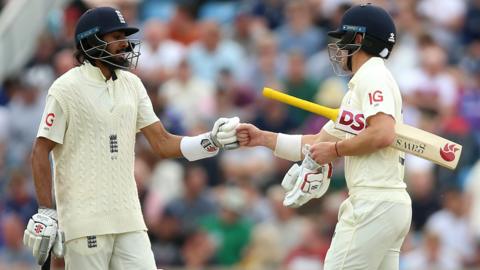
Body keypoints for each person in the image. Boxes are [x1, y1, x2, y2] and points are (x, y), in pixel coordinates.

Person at [22, 7, 239, 270]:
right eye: (116, 37)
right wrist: (46, 211)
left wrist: (211, 140)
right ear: (91, 41)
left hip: (129, 219)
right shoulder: (65, 88)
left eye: (125, 36)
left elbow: (162, 142)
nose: (125, 44)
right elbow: (40, 150)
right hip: (83, 221)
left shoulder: (132, 85)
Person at [237, 4, 411, 270]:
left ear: (359, 39)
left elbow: (383, 133)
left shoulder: (372, 75)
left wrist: (337, 151)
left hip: (373, 203)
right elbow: (318, 144)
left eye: (343, 39)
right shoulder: (358, 88)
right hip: (387, 204)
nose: (339, 48)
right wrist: (263, 138)